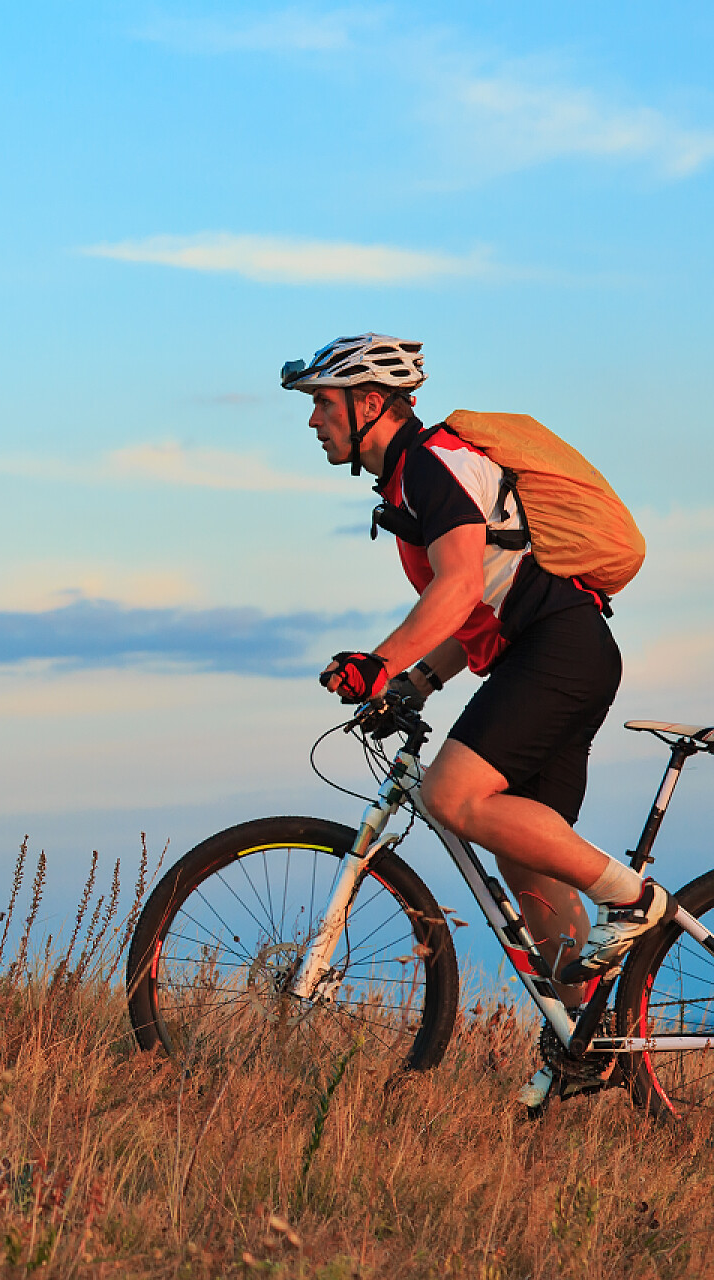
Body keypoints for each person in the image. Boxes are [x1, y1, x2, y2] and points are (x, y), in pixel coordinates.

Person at [280, 333, 667, 1109]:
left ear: (369, 404)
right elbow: (478, 610)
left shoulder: (430, 465)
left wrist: (377, 662)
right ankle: (584, 1040)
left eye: (323, 403)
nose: (313, 421)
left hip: (557, 651)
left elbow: (456, 590)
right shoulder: (412, 482)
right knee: (531, 868)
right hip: (558, 649)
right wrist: (417, 680)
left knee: (453, 797)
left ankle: (633, 902)